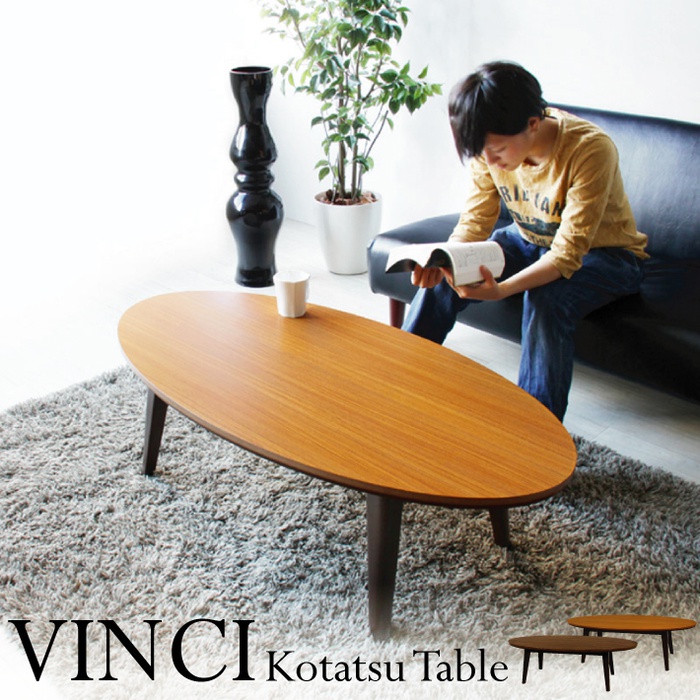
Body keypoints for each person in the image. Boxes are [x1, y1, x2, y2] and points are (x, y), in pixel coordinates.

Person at [402, 61, 648, 421]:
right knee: (445, 275)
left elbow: (566, 255)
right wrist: (445, 259)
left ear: (533, 124)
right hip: (529, 239)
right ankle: (399, 379)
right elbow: (476, 220)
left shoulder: (590, 149)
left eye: (498, 150)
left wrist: (501, 290)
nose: (490, 160)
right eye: (481, 152)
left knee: (546, 298)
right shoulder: (488, 146)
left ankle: (537, 431)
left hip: (608, 256)